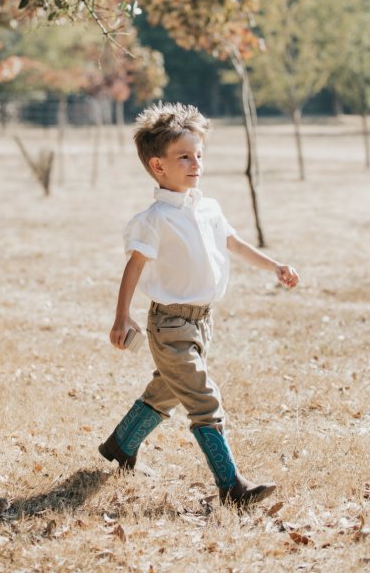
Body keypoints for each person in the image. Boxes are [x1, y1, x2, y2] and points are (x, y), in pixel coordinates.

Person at [99, 103, 299, 507]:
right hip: (169, 326)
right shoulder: (153, 219)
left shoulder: (208, 207)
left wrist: (274, 265)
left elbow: (233, 243)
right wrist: (122, 316)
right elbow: (133, 267)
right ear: (158, 166)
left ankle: (121, 444)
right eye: (184, 157)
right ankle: (232, 487)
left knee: (167, 390)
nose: (195, 163)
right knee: (204, 399)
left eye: (199, 155)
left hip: (203, 323)